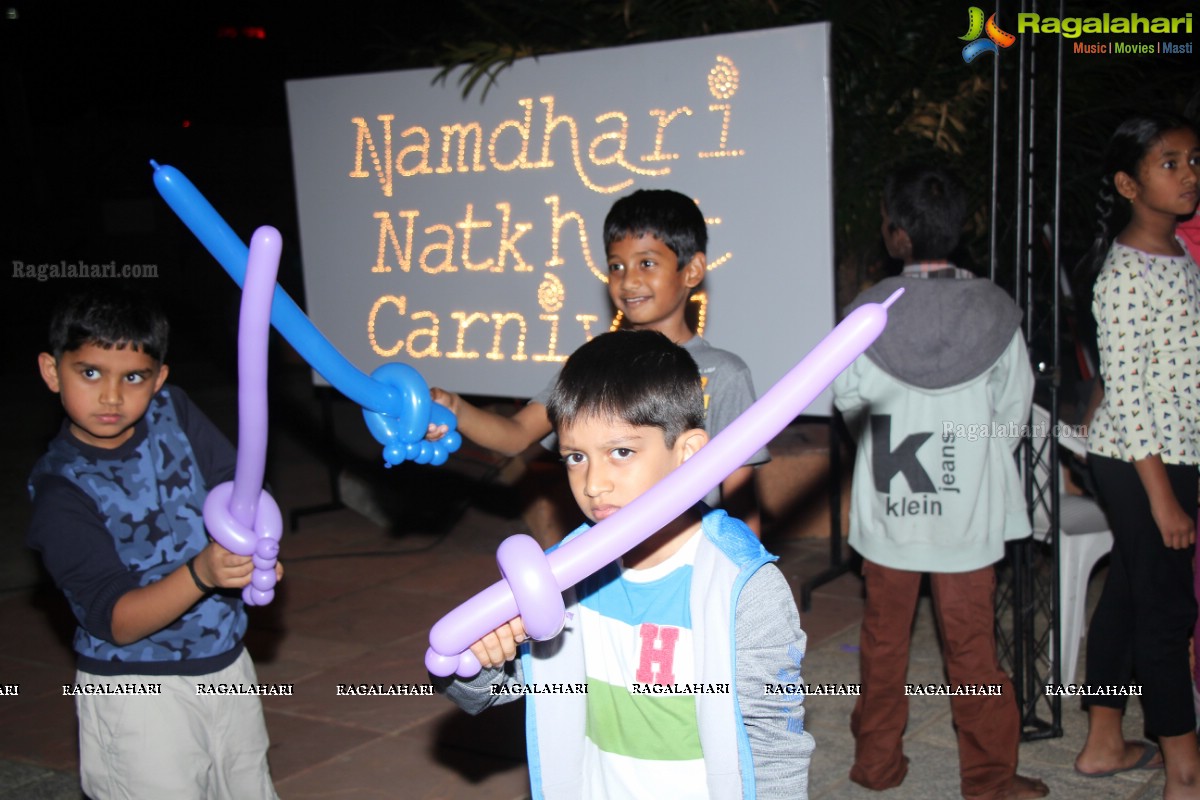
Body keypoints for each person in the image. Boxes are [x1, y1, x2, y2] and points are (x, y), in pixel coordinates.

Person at [433, 330, 814, 799]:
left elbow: (775, 737)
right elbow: (486, 694)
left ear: (689, 453)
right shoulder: (558, 577)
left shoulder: (743, 586)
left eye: (621, 452)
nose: (594, 484)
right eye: (575, 457)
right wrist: (479, 665)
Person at [833, 164, 1047, 799]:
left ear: (894, 234)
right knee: (974, 651)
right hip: (966, 518)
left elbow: (848, 401)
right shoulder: (995, 315)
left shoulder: (865, 316)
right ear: (963, 230)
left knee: (881, 643)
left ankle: (875, 765)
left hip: (890, 515)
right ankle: (989, 779)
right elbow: (1014, 411)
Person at [27, 289, 281, 800]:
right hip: (135, 692)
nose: (112, 396)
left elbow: (240, 483)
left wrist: (261, 546)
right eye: (91, 373)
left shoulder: (174, 413)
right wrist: (204, 574)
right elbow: (115, 620)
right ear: (54, 372)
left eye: (134, 377)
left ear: (159, 379)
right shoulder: (61, 490)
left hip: (225, 664)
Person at [427, 188, 768, 533]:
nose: (628, 280)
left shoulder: (724, 373)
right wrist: (456, 409)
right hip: (612, 557)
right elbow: (516, 435)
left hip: (692, 562)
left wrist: (745, 568)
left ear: (692, 270)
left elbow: (740, 496)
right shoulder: (595, 367)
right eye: (616, 266)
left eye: (646, 263)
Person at [1069, 113, 1200, 795]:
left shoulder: (1178, 253)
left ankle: (1101, 742)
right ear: (1127, 183)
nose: (1188, 175)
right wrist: (1163, 497)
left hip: (1174, 453)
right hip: (1142, 459)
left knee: (1127, 593)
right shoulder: (1123, 275)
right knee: (1167, 609)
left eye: (1193, 161)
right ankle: (1185, 768)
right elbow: (1131, 396)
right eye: (1169, 163)